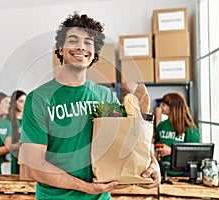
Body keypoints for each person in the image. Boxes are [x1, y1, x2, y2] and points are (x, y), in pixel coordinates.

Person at [19, 13, 160, 199]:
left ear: (94, 52)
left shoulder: (106, 96)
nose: (81, 47)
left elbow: (126, 142)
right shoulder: (39, 98)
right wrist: (87, 188)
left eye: (88, 42)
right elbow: (33, 167)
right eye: (73, 40)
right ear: (60, 49)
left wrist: (151, 162)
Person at [155, 93, 200, 176]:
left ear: (173, 107)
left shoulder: (190, 129)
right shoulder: (161, 126)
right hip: (162, 172)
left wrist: (172, 151)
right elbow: (157, 142)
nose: (160, 106)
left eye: (164, 104)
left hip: (183, 174)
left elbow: (195, 153)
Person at [7, 90, 27, 174]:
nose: (24, 104)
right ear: (14, 103)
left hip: (29, 156)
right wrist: (20, 144)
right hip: (15, 156)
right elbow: (7, 145)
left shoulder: (30, 119)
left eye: (26, 101)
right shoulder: (8, 121)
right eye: (21, 101)